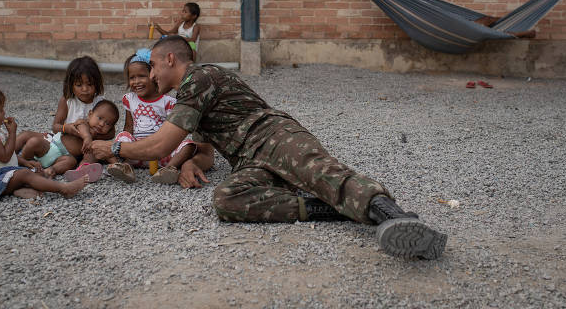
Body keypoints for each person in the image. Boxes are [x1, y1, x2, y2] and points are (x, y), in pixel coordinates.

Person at [90, 36, 447, 260]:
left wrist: (116, 150)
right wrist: (188, 163)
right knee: (227, 199)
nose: (151, 76)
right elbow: (202, 148)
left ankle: (397, 219)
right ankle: (332, 209)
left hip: (272, 135)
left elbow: (160, 145)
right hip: (248, 158)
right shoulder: (189, 94)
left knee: (320, 172)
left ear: (170, 59)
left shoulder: (199, 77)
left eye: (153, 66)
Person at [0, 84, 88, 201]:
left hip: (2, 176)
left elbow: (8, 156)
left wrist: (25, 162)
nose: (4, 113)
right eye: (0, 110)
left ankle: (20, 190)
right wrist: (12, 133)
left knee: (36, 171)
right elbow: (5, 157)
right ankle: (64, 189)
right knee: (25, 174)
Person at [107, 48, 211, 184]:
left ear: (153, 75)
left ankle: (168, 169)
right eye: (132, 78)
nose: (136, 81)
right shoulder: (129, 99)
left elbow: (172, 132)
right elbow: (128, 126)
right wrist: (126, 146)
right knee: (122, 136)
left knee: (189, 145)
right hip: (136, 153)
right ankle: (126, 167)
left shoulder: (167, 102)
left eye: (141, 76)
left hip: (162, 153)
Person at [15, 56, 111, 182]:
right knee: (26, 135)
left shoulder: (101, 104)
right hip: (57, 141)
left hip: (75, 152)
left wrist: (94, 134)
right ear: (71, 84)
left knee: (73, 161)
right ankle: (9, 154)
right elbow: (56, 126)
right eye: (79, 85)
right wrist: (67, 128)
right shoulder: (67, 101)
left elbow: (111, 131)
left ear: (97, 83)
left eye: (90, 84)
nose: (85, 89)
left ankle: (58, 170)